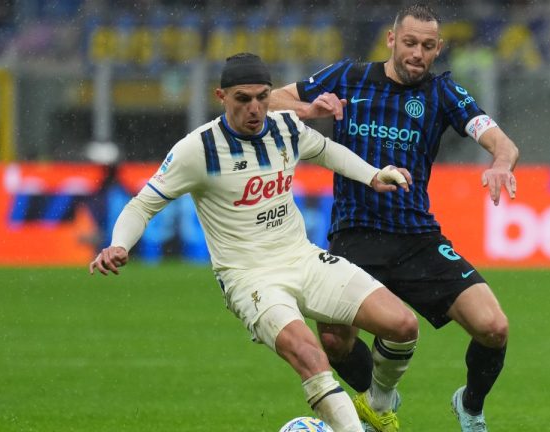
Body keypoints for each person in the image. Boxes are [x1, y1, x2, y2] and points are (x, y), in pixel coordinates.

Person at [89, 53, 420, 432]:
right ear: (221, 96)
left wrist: (373, 174)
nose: (255, 108)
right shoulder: (198, 150)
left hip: (302, 258)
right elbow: (142, 204)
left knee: (403, 324)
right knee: (312, 357)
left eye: (262, 96)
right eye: (243, 99)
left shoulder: (285, 128)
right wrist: (118, 244)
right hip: (250, 278)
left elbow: (326, 151)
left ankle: (377, 404)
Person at [270, 4, 519, 432]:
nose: (417, 54)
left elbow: (502, 142)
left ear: (438, 49)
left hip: (416, 236)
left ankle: (470, 407)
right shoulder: (348, 77)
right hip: (354, 235)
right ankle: (378, 400)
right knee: (333, 340)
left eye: (427, 46)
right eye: (409, 43)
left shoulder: (444, 94)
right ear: (391, 40)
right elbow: (275, 98)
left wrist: (500, 162)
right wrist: (309, 110)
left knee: (493, 327)